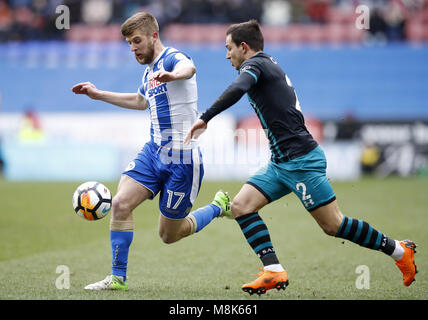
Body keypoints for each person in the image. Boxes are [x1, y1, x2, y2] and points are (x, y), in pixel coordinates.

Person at [185, 19, 418, 295]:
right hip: (281, 162)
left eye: (229, 48)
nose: (227, 55)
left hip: (301, 161)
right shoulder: (267, 63)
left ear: (244, 47)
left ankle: (399, 251)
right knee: (241, 206)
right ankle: (273, 270)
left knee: (334, 225)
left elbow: (238, 88)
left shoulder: (255, 65)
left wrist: (205, 117)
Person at [72, 12, 232, 291]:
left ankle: (218, 206)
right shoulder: (148, 72)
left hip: (182, 159)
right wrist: (99, 94)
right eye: (129, 43)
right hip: (153, 151)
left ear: (153, 36)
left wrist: (172, 75)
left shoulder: (172, 58)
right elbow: (139, 100)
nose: (133, 48)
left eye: (136, 41)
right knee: (120, 204)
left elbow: (189, 68)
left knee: (169, 235)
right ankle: (117, 278)